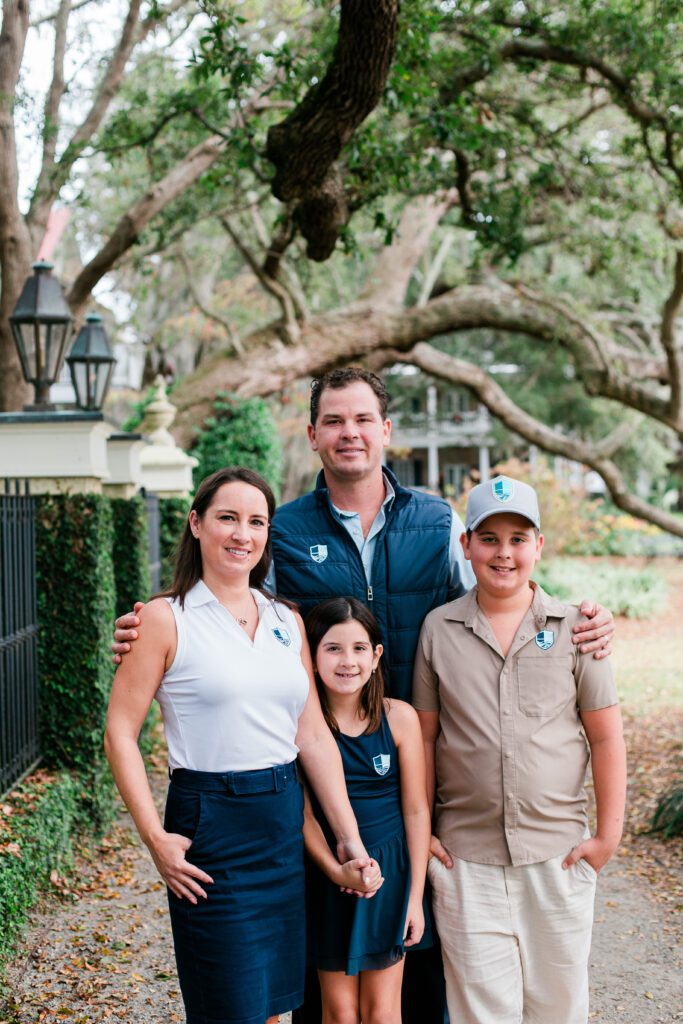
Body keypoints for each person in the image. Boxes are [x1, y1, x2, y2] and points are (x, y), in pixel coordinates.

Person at [113, 368, 616, 1024]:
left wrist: (580, 617)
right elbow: (231, 595)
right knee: (317, 973)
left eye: (361, 420)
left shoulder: (436, 522)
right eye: (333, 421)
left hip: (423, 765)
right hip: (321, 769)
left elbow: (500, 590)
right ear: (312, 434)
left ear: (385, 430)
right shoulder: (284, 528)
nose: (348, 433)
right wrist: (153, 623)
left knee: (429, 966)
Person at [104, 466, 381, 1024]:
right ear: (196, 524)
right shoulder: (164, 619)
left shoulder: (286, 619)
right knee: (230, 1007)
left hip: (280, 823)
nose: (242, 534)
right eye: (227, 518)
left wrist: (349, 839)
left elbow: (311, 736)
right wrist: (155, 838)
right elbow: (119, 732)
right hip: (212, 824)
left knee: (274, 1009)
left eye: (257, 522)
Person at [413, 476, 627, 1024]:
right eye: (488, 538)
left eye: (518, 539)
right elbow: (426, 738)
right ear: (466, 545)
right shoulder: (439, 630)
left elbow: (605, 736)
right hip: (467, 861)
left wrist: (607, 837)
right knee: (480, 1011)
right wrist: (428, 834)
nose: (503, 553)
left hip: (557, 856)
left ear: (539, 546)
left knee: (558, 1009)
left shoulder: (578, 628)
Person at [303, 597, 431, 1024]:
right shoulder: (302, 727)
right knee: (339, 1012)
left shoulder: (400, 718)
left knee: (382, 1011)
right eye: (333, 648)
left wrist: (414, 898)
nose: (347, 661)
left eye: (359, 648)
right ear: (312, 657)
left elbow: (416, 811)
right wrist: (334, 870)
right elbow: (304, 817)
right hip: (329, 878)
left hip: (389, 877)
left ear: (376, 656)